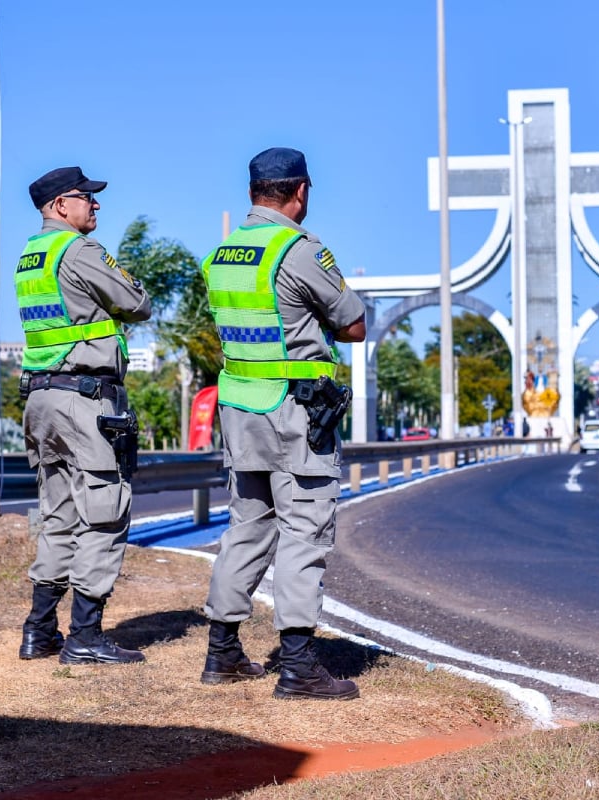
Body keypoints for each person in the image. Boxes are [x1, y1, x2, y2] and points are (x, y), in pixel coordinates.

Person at [199, 147, 366, 700]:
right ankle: (297, 666)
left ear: (253, 191)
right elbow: (354, 323)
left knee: (247, 525)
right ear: (300, 191)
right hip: (293, 411)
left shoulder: (224, 253)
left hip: (238, 409)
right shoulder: (298, 250)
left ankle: (221, 651)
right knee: (304, 529)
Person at [15, 166, 152, 665]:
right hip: (84, 398)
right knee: (104, 512)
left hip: (41, 399)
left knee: (59, 514)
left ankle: (39, 630)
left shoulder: (32, 255)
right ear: (58, 207)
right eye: (86, 198)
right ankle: (86, 636)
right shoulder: (79, 250)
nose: (95, 206)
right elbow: (136, 302)